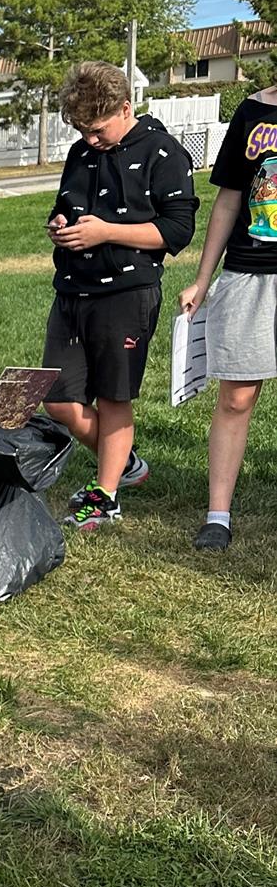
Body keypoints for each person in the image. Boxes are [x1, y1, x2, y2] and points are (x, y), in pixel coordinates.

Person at [43, 61, 198, 532]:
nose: (89, 139)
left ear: (125, 107)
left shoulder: (163, 152)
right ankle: (125, 460)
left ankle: (105, 496)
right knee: (58, 399)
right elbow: (65, 206)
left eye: (96, 129)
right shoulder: (80, 153)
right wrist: (60, 226)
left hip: (127, 294)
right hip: (72, 290)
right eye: (80, 130)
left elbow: (178, 229)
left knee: (113, 398)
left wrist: (107, 232)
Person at [179, 82, 277, 551]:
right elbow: (230, 199)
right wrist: (203, 277)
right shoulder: (253, 111)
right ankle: (219, 514)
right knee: (237, 396)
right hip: (250, 270)